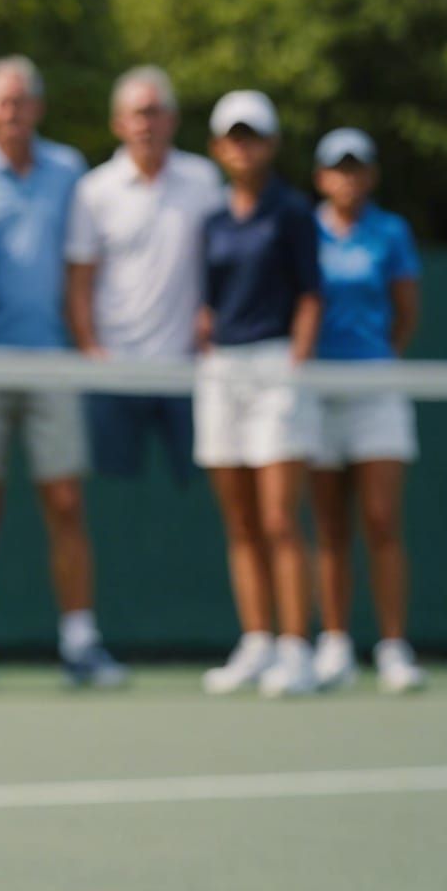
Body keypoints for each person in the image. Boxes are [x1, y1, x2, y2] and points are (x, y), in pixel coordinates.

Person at [0, 55, 126, 687]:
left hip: (53, 359)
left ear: (38, 109)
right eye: (2, 102)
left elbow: (84, 265)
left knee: (66, 501)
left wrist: (88, 339)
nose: (13, 112)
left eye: (23, 101)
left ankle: (81, 641)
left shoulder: (71, 172)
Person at [197, 90, 323, 697]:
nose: (243, 147)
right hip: (222, 370)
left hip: (276, 365)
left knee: (279, 518)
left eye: (253, 136)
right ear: (219, 148)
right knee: (241, 520)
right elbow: (208, 301)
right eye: (233, 136)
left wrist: (296, 359)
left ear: (271, 145)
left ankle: (297, 649)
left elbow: (310, 294)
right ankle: (257, 642)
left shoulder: (294, 213)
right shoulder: (213, 221)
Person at [307, 128, 427, 693]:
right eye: (338, 168)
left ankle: (394, 646)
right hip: (317, 389)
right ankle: (334, 644)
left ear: (371, 176)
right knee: (330, 526)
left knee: (381, 521)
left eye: (357, 168)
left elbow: (406, 312)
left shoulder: (391, 232)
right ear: (321, 177)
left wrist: (379, 358)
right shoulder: (304, 229)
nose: (347, 178)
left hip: (377, 386)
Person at [67, 66, 223, 484]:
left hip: (188, 371)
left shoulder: (204, 181)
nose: (146, 124)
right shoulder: (94, 190)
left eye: (154, 112)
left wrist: (212, 323)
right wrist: (90, 347)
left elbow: (221, 264)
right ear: (118, 123)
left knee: (204, 496)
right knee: (115, 499)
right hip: (114, 371)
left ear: (171, 120)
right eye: (136, 114)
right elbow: (80, 280)